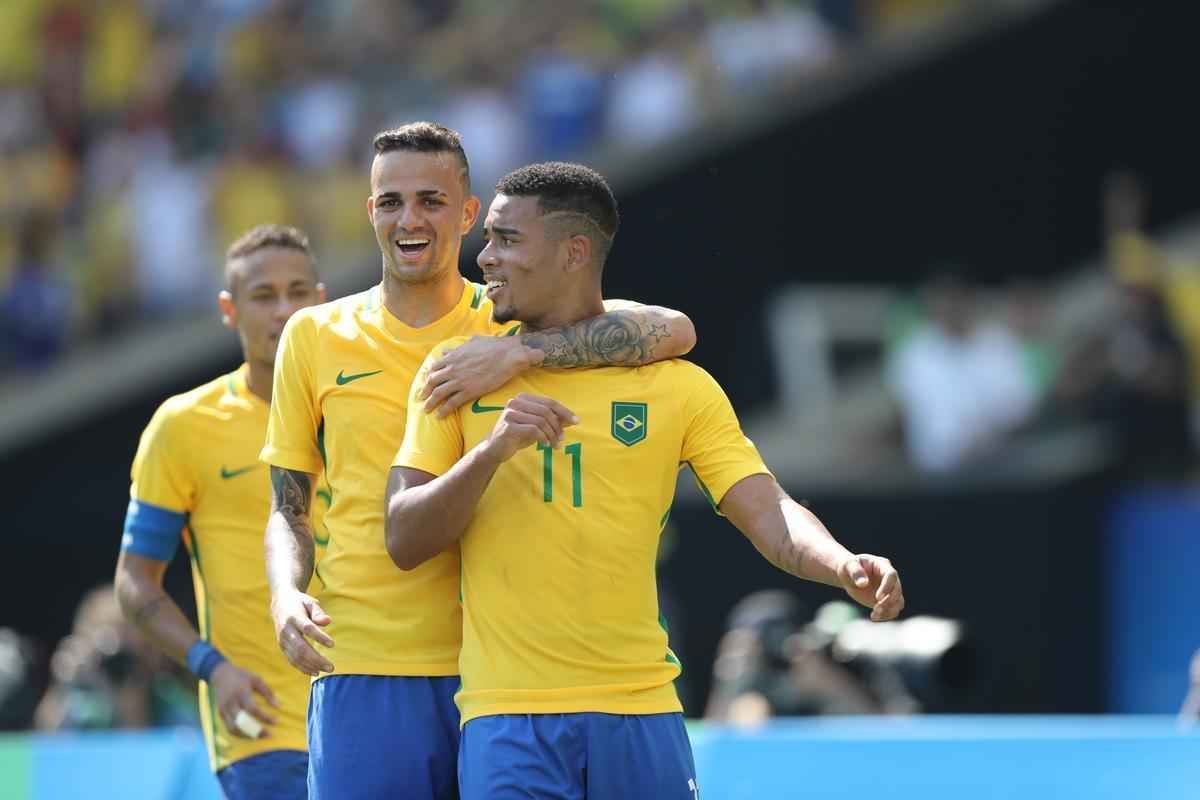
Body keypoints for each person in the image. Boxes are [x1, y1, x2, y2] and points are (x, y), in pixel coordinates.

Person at [385, 161, 905, 799]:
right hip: (507, 715)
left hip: (642, 708)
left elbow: (769, 513)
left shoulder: (676, 385)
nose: (485, 258)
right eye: (488, 239)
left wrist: (842, 564)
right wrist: (490, 454)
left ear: (575, 251)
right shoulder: (457, 376)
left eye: (508, 240)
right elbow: (404, 537)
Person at [261, 123, 696, 800]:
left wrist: (519, 353)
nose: (410, 219)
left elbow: (673, 329)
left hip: (504, 679)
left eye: (432, 201)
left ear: (468, 214)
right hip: (370, 668)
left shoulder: (510, 316)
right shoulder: (314, 337)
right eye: (391, 201)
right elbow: (288, 507)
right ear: (368, 212)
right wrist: (286, 593)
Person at [114, 224, 328, 799]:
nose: (283, 310)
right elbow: (136, 582)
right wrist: (212, 668)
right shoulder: (184, 427)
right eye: (263, 296)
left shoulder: (363, 406)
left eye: (298, 292)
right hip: (263, 725)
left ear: (322, 301)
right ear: (229, 310)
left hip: (377, 708)